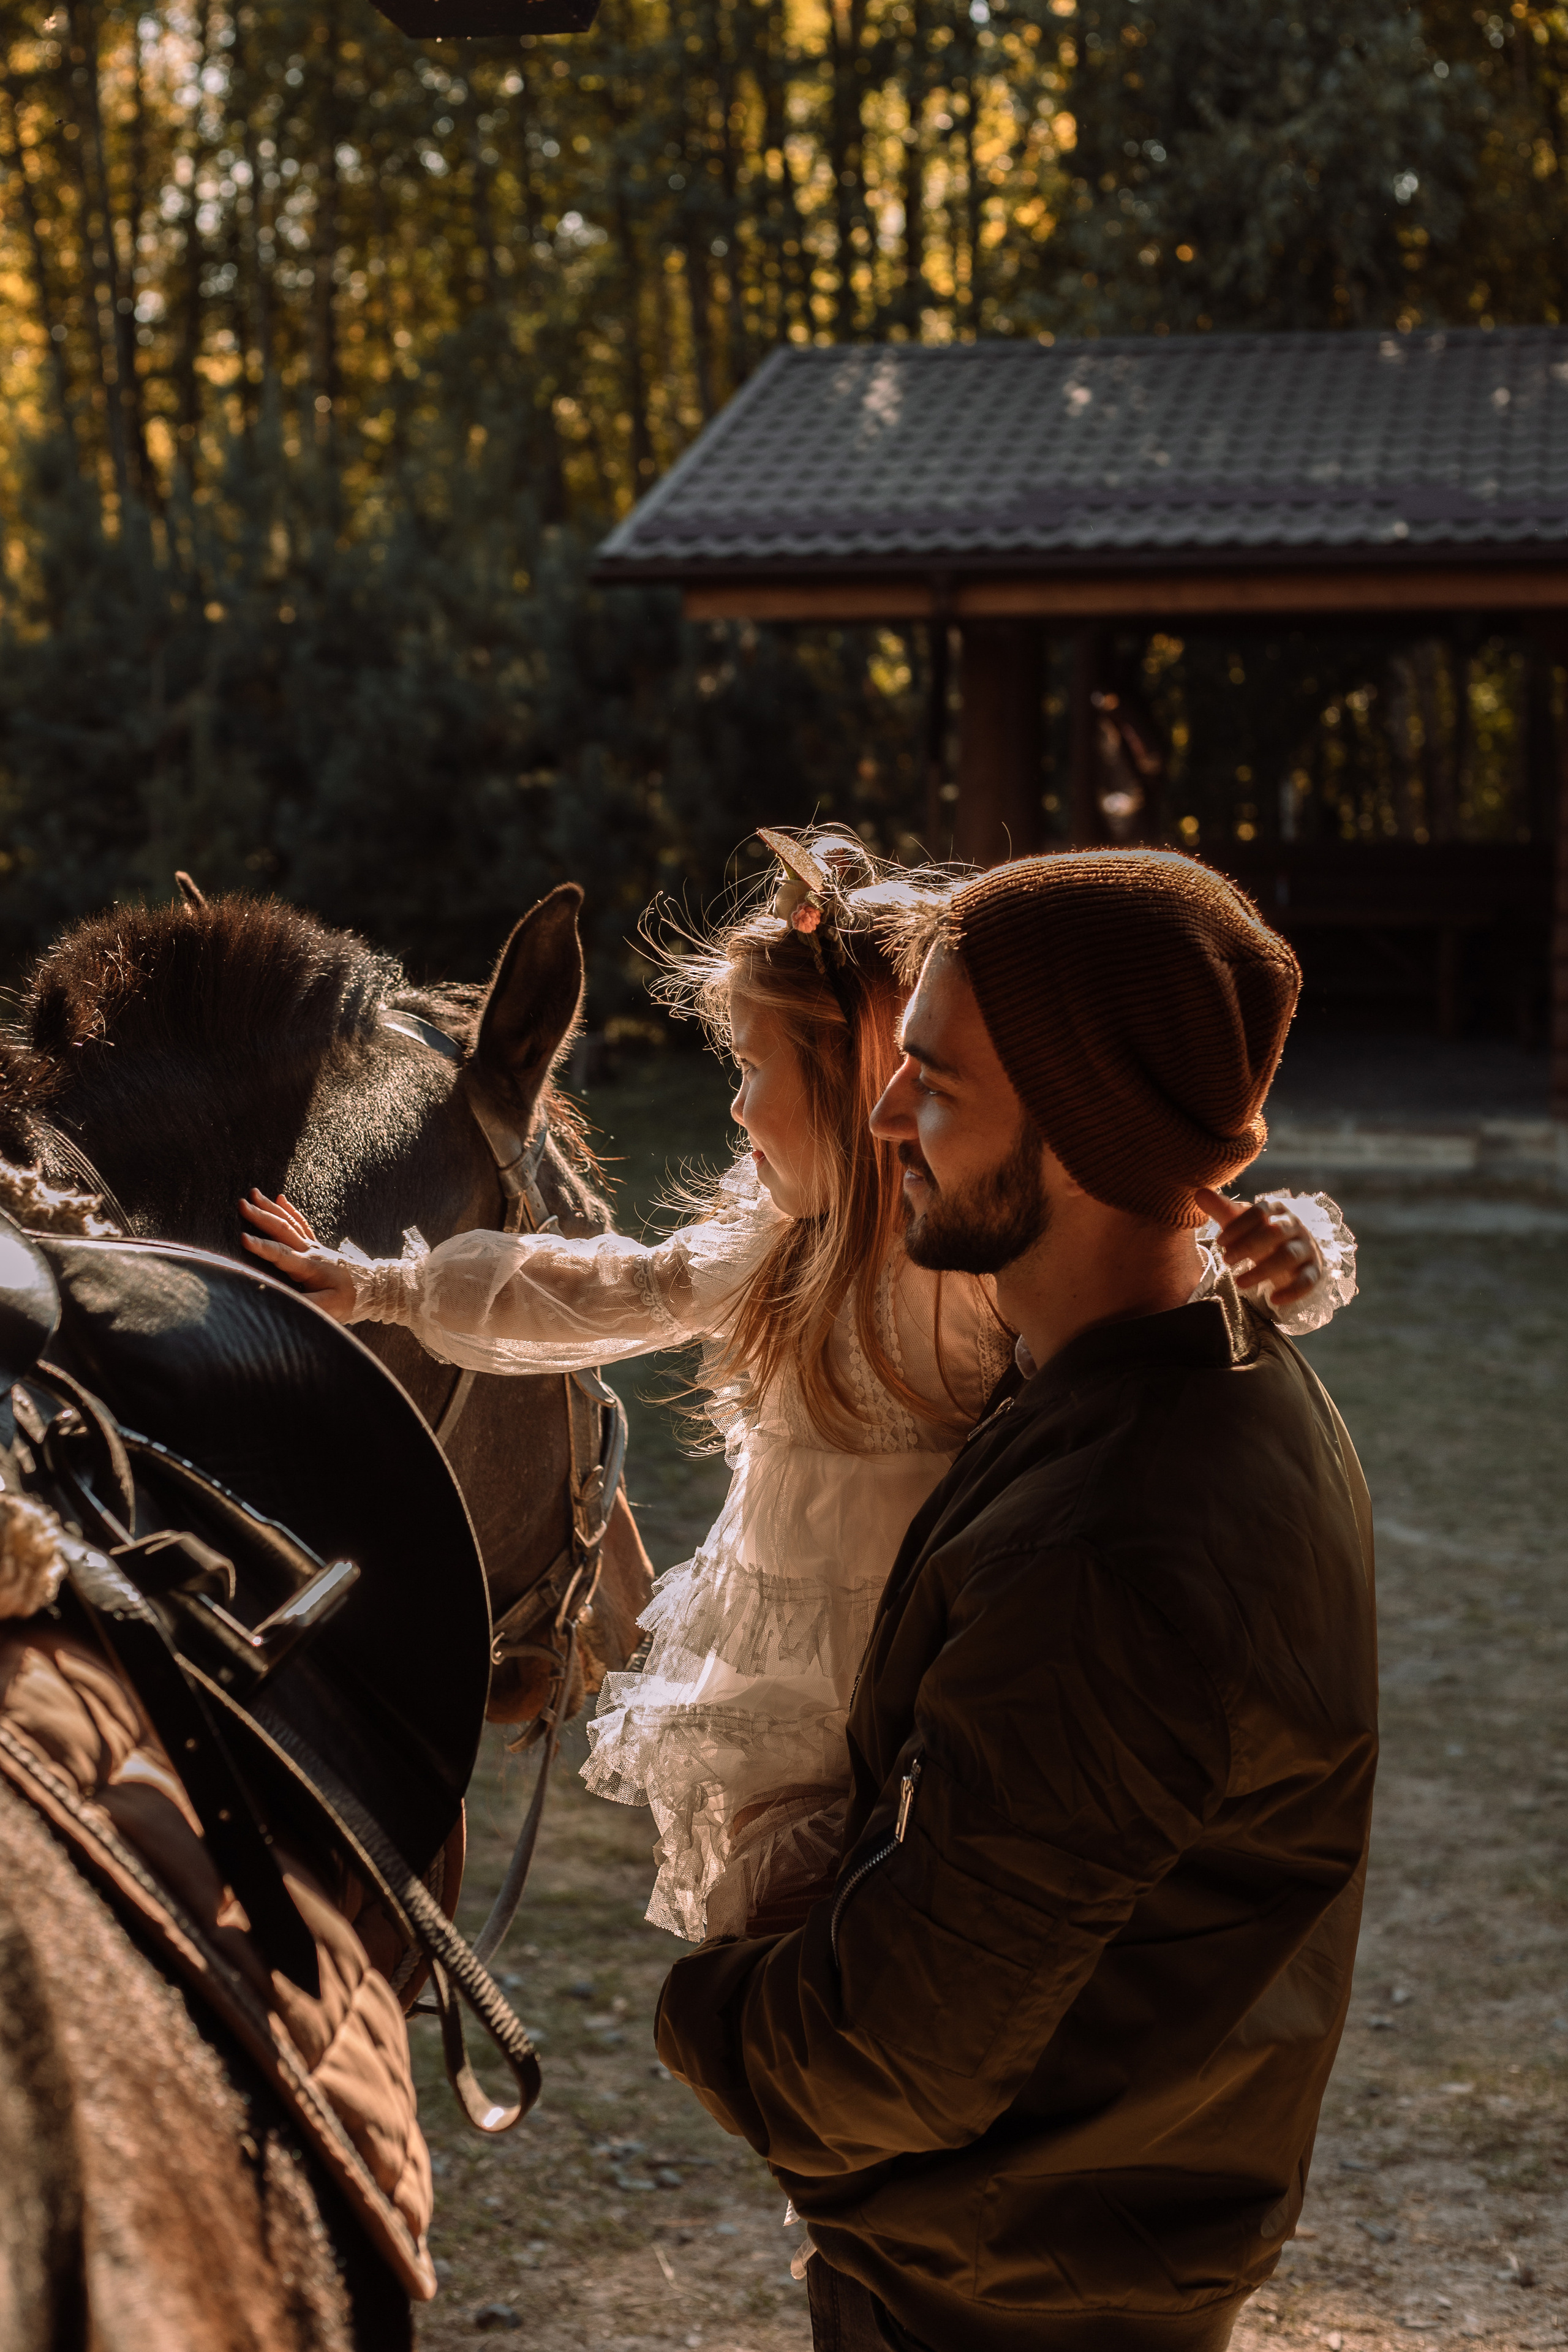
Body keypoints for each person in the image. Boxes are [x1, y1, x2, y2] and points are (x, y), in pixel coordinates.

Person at [239, 834, 1357, 1952]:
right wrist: (384, 1286)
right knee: (779, 1928)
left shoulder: (968, 1258)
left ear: (848, 1082)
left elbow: (1164, 1246)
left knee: (904, 1910)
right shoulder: (774, 1243)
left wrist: (1290, 1245)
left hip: (928, 1662)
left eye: (750, 1068)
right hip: (788, 1673)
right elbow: (610, 1284)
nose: (733, 1109)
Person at [651, 849, 1379, 2352]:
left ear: (1075, 1125)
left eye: (934, 1081)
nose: (884, 1117)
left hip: (1003, 2293)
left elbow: (888, 2059)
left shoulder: (1117, 1544)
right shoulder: (1173, 1377)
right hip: (1051, 2250)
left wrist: (704, 2009)